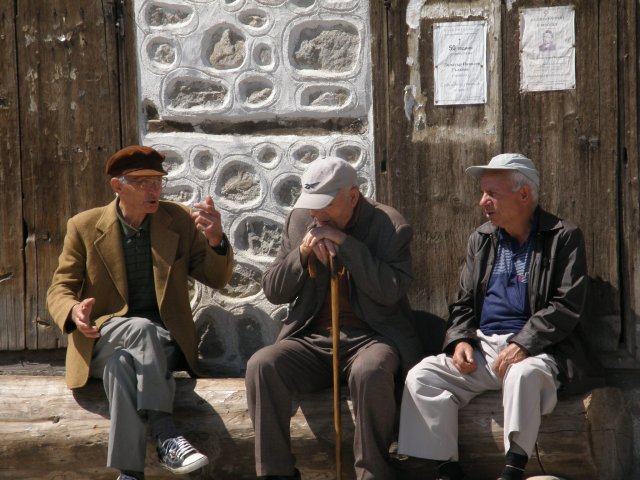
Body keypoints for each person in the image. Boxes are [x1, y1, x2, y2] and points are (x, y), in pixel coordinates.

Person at [397, 153, 604, 480]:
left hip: (542, 351)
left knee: (522, 374)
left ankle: (513, 469)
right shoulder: (482, 239)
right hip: (485, 350)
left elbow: (566, 305)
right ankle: (447, 470)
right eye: (483, 193)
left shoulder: (563, 237)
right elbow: (464, 302)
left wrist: (523, 343)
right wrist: (460, 340)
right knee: (423, 376)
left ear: (524, 195)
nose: (483, 201)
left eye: (492, 193)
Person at [47, 145, 234, 480]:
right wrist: (74, 310)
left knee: (124, 364)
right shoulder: (84, 226)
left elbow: (215, 277)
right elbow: (59, 288)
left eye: (158, 182)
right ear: (118, 187)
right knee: (136, 330)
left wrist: (216, 240)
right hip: (102, 336)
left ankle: (130, 473)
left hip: (162, 341)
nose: (155, 190)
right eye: (143, 182)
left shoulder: (175, 220)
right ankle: (166, 434)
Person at [245, 156, 423, 480]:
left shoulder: (391, 226)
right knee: (263, 364)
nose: (317, 215)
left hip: (371, 337)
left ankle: (374, 474)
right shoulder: (301, 221)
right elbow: (273, 291)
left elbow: (390, 291)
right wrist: (300, 255)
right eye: (312, 206)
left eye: (324, 206)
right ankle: (276, 473)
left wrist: (348, 247)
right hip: (313, 339)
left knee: (371, 371)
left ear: (352, 197)